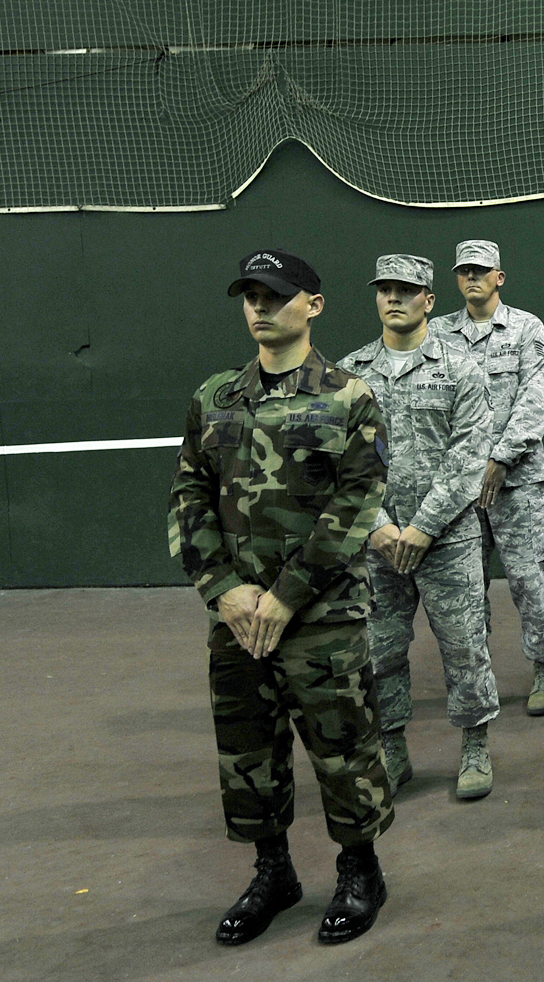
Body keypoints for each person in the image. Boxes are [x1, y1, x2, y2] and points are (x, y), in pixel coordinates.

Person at [168, 250, 393, 946]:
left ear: (312, 305)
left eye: (276, 295)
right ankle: (275, 872)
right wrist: (225, 590)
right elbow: (189, 496)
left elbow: (359, 502)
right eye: (250, 296)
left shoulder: (348, 397)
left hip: (321, 616)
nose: (261, 308)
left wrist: (287, 596)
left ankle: (360, 872)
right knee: (247, 752)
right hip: (237, 620)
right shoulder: (215, 398)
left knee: (343, 749)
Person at [340, 255, 502, 802]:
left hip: (448, 539)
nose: (394, 298)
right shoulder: (351, 374)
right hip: (378, 545)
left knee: (464, 647)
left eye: (406, 290)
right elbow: (345, 462)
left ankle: (474, 744)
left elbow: (469, 456)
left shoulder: (462, 369)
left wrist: (424, 528)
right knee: (380, 650)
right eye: (384, 289)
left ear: (429, 300)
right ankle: (391, 746)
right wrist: (380, 527)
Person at [436, 239, 544, 716]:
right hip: (460, 489)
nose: (472, 278)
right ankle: (477, 676)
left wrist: (502, 458)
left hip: (518, 483)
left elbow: (536, 398)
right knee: (467, 589)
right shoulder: (439, 334)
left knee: (531, 581)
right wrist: (465, 468)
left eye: (481, 271)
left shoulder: (527, 329)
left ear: (498, 277)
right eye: (464, 271)